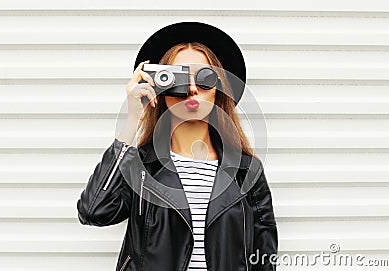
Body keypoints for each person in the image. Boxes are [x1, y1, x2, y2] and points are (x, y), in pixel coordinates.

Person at [77, 22, 278, 271]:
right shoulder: (141, 168)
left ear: (218, 89)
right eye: (178, 79)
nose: (192, 89)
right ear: (160, 87)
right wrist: (132, 119)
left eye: (205, 78)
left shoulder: (246, 171)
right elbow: (93, 212)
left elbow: (264, 258)